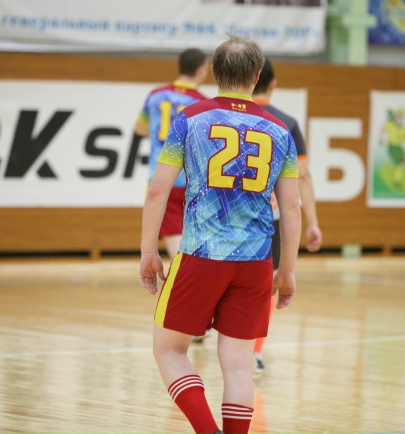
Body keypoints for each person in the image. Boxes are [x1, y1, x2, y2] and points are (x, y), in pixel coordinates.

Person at [139, 33, 302, 434]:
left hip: (201, 255)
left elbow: (158, 189)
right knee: (238, 365)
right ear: (257, 76)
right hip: (256, 262)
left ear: (213, 71)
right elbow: (291, 207)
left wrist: (148, 252)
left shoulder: (190, 118)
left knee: (169, 351)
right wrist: (287, 270)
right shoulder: (280, 131)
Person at [251, 57, 323, 374]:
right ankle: (253, 350)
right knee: (265, 282)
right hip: (269, 216)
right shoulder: (287, 123)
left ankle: (211, 330)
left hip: (225, 214)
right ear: (273, 85)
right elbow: (302, 175)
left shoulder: (223, 116)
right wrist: (313, 223)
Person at [134, 48, 209, 258]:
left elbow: (139, 128)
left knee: (174, 236)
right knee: (191, 236)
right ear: (201, 70)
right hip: (191, 178)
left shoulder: (155, 95)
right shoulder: (204, 103)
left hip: (161, 175)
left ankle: (184, 275)